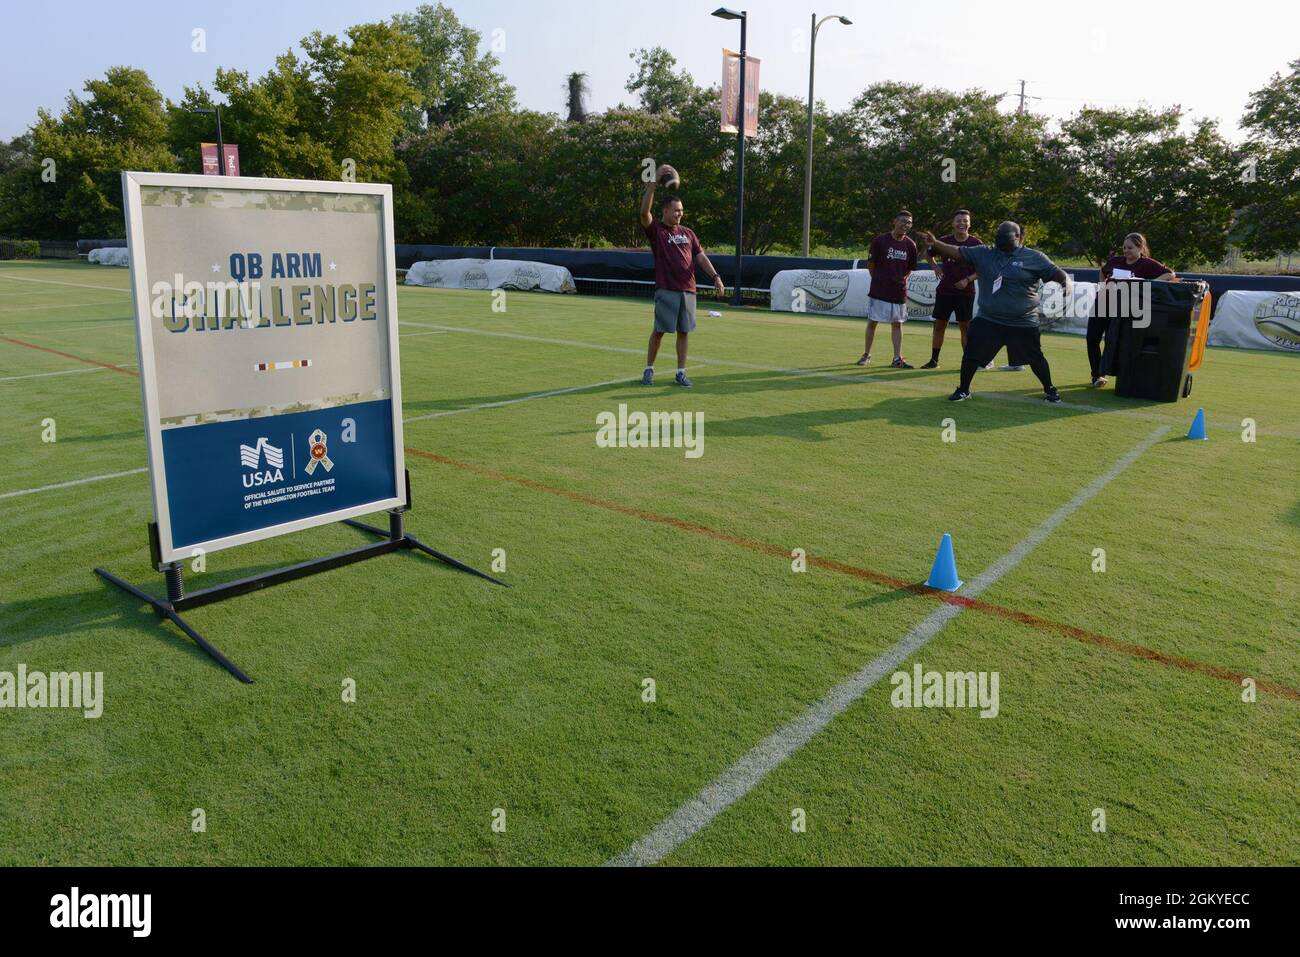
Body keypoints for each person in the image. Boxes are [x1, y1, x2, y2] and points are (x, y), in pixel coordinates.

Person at [917, 221, 1070, 403]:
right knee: (971, 355)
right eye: (999, 235)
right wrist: (936, 243)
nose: (1001, 238)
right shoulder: (984, 252)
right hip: (989, 318)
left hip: (1023, 320)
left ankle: (1050, 389)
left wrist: (1065, 284)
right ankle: (963, 389)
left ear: (1019, 237)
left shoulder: (1034, 257)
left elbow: (1056, 272)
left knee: (1035, 357)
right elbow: (957, 251)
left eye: (1006, 235)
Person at [638, 168, 726, 387]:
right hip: (667, 288)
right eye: (676, 210)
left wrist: (715, 276)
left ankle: (680, 373)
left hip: (688, 289)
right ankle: (649, 369)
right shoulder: (657, 230)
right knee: (659, 331)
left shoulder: (687, 233)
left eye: (681, 210)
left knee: (684, 332)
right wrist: (654, 183)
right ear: (665, 210)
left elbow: (701, 256)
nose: (680, 214)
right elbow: (643, 213)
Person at [1088, 232, 1176, 388]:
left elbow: (1170, 274)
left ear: (1140, 248)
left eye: (1130, 248)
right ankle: (1096, 375)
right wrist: (1102, 287)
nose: (1126, 251)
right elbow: (1102, 271)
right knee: (1092, 338)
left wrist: (1150, 282)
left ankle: (1107, 373)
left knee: (1111, 340)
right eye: (1124, 248)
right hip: (1103, 303)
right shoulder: (1116, 261)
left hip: (1121, 308)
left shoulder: (1147, 264)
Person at [921, 209, 982, 369]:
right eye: (958, 221)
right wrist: (935, 267)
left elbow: (983, 268)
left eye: (965, 221)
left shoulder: (976, 244)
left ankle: (967, 362)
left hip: (966, 292)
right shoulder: (943, 241)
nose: (962, 223)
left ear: (969, 223)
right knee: (940, 325)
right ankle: (934, 360)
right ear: (953, 224)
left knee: (965, 328)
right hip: (945, 291)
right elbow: (928, 254)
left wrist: (968, 279)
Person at [858, 210, 917, 368]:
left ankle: (897, 358)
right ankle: (866, 354)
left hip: (898, 291)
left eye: (909, 223)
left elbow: (909, 268)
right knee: (872, 322)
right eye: (903, 221)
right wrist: (879, 279)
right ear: (895, 221)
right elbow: (871, 264)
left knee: (897, 324)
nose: (906, 225)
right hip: (879, 289)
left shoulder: (911, 245)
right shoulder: (880, 241)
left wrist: (900, 280)